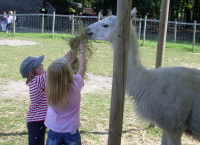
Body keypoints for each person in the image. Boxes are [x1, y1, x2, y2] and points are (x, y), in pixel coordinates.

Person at [19, 49, 76, 145]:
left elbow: (57, 69)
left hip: (41, 119)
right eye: (39, 66)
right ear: (32, 73)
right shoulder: (37, 80)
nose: (42, 66)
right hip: (36, 121)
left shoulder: (40, 78)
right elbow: (59, 68)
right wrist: (71, 53)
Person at [45, 43, 86, 145]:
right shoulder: (75, 85)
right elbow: (82, 68)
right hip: (71, 131)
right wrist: (82, 51)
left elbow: (56, 70)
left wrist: (68, 55)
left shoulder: (49, 84)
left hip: (54, 130)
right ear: (69, 72)